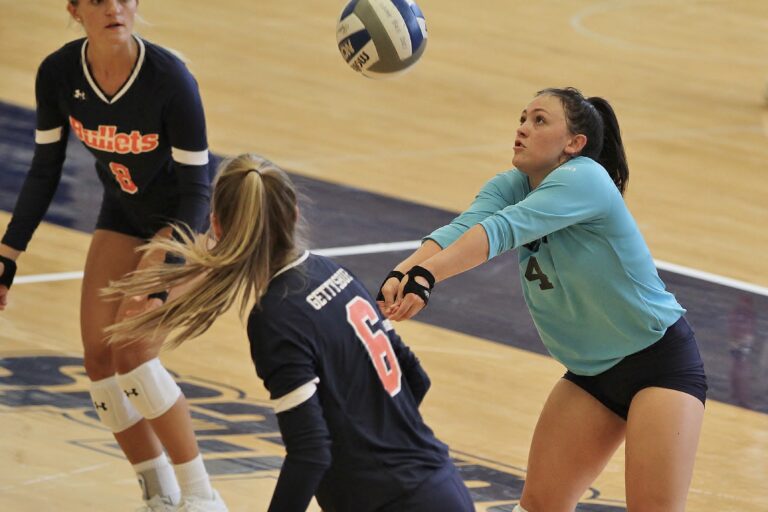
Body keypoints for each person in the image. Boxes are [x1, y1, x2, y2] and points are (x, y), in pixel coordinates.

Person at [376, 87, 708, 512]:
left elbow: (503, 231)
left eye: (539, 120)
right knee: (539, 505)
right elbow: (467, 227)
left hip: (659, 365)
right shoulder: (510, 185)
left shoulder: (584, 178)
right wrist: (404, 272)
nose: (522, 128)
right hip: (592, 374)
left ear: (574, 143)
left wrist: (427, 277)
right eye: (522, 118)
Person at [103, 154, 476, 512]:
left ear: (216, 226)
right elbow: (415, 378)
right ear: (294, 213)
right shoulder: (336, 273)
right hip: (441, 485)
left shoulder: (275, 318)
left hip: (388, 502)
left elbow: (310, 452)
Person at [0, 1, 227, 510]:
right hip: (123, 213)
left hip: (188, 223)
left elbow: (198, 190)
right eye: (98, 0)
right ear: (75, 10)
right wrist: (8, 252)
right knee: (99, 360)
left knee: (133, 352)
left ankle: (202, 497)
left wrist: (165, 275)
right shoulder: (58, 73)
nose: (113, 9)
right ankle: (159, 493)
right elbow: (44, 170)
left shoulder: (170, 78)